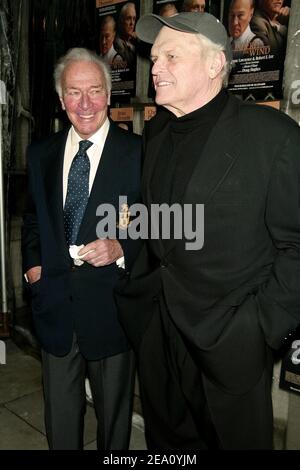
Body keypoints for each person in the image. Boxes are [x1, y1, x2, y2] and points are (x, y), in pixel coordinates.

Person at [115, 12, 300, 450]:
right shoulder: (157, 130)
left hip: (230, 346)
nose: (155, 67)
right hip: (158, 334)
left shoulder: (274, 137)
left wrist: (257, 330)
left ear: (215, 65)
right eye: (155, 57)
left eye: (171, 56)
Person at [22, 48, 142, 450]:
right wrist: (33, 267)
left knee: (114, 425)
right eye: (74, 92)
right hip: (54, 305)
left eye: (94, 91)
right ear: (61, 100)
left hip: (112, 309)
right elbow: (34, 219)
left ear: (109, 95)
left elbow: (157, 221)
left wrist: (121, 245)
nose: (85, 103)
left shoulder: (138, 154)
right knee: (60, 419)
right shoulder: (41, 153)